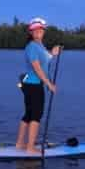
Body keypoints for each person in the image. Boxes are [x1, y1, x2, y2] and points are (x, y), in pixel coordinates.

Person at [15, 17, 61, 154]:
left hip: (33, 84)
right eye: (35, 30)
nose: (38, 31)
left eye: (40, 29)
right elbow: (37, 68)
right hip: (32, 85)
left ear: (44, 31)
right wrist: (49, 84)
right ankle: (30, 147)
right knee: (36, 115)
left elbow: (45, 60)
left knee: (29, 114)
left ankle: (19, 144)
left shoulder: (41, 46)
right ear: (31, 32)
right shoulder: (31, 47)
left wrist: (53, 53)